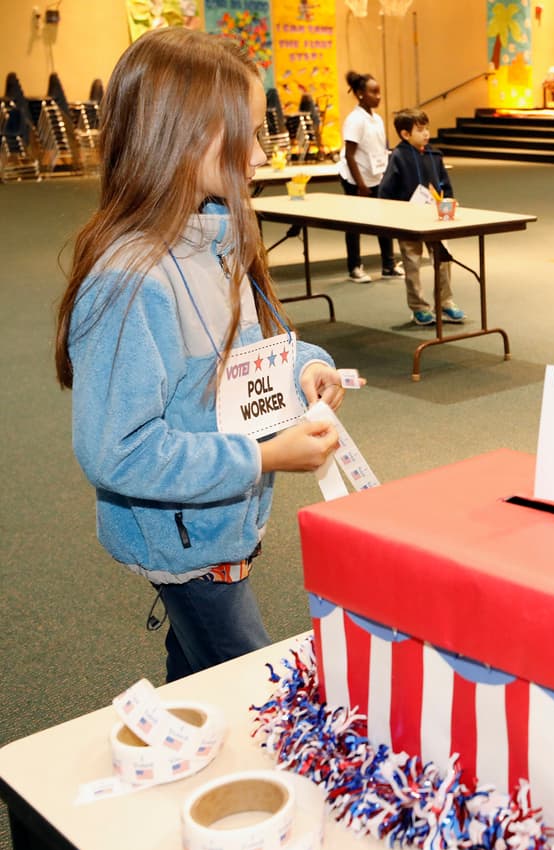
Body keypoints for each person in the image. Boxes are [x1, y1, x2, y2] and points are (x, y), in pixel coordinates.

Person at [52, 28, 350, 683]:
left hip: (220, 523)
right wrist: (263, 457)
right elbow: (118, 451)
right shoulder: (132, 280)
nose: (262, 151)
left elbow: (257, 346)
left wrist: (306, 365)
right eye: (247, 131)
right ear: (183, 137)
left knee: (197, 675)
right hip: (187, 545)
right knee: (252, 683)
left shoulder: (221, 237)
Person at [378, 107, 465, 328]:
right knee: (412, 263)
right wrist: (394, 213)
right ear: (405, 134)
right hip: (408, 220)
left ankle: (445, 302)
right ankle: (419, 307)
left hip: (436, 217)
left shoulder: (435, 156)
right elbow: (385, 190)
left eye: (426, 128)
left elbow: (445, 184)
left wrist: (449, 199)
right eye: (420, 130)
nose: (426, 133)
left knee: (443, 259)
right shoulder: (398, 156)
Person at [338, 69, 399, 283]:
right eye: (374, 92)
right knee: (355, 224)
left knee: (384, 221)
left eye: (379, 92)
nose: (379, 96)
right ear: (360, 94)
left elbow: (381, 149)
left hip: (376, 177)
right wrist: (361, 185)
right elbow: (350, 155)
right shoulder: (355, 120)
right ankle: (355, 267)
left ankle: (388, 265)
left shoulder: (377, 119)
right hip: (356, 179)